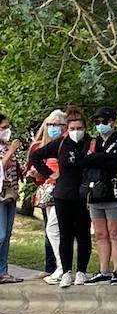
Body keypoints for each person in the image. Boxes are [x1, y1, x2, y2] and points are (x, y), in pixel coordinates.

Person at [28, 108, 95, 288]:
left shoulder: (91, 144)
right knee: (64, 234)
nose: (75, 132)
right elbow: (35, 156)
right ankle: (66, 271)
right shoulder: (60, 143)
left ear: (85, 128)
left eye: (79, 128)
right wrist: (50, 174)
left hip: (83, 195)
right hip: (63, 194)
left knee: (83, 234)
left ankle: (81, 271)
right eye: (72, 128)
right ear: (68, 128)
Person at [83, 106, 117, 284]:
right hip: (95, 193)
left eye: (104, 122)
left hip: (114, 192)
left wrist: (97, 158)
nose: (100, 125)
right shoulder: (93, 142)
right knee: (100, 234)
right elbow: (84, 161)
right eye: (97, 122)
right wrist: (103, 158)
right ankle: (103, 270)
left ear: (113, 122)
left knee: (115, 233)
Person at [28, 109, 65, 283]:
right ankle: (56, 267)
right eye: (49, 124)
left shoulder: (66, 144)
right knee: (50, 230)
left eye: (56, 124)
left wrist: (57, 175)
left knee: (55, 229)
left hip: (64, 191)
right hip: (47, 192)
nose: (52, 128)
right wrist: (41, 174)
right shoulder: (40, 145)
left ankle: (62, 267)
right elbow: (35, 162)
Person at [0, 115, 19, 284]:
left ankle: (3, 272)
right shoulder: (7, 149)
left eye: (8, 127)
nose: (7, 130)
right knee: (1, 234)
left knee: (6, 236)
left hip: (10, 194)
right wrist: (11, 151)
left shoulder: (7, 146)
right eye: (3, 128)